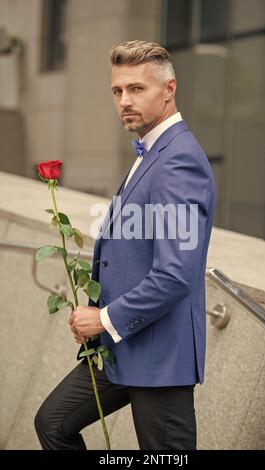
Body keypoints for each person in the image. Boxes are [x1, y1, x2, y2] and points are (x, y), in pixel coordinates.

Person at [34, 40, 216, 450]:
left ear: (169, 89)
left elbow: (174, 274)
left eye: (137, 89)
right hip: (121, 347)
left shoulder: (178, 160)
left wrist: (103, 319)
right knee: (54, 423)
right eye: (117, 91)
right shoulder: (151, 151)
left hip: (159, 355)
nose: (124, 101)